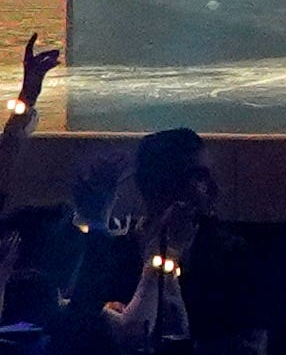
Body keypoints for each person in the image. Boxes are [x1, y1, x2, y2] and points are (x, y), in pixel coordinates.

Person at [68, 130, 262, 355]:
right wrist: (96, 222)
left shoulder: (230, 255)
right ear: (159, 185)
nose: (213, 188)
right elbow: (76, 331)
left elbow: (251, 347)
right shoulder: (120, 253)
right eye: (199, 176)